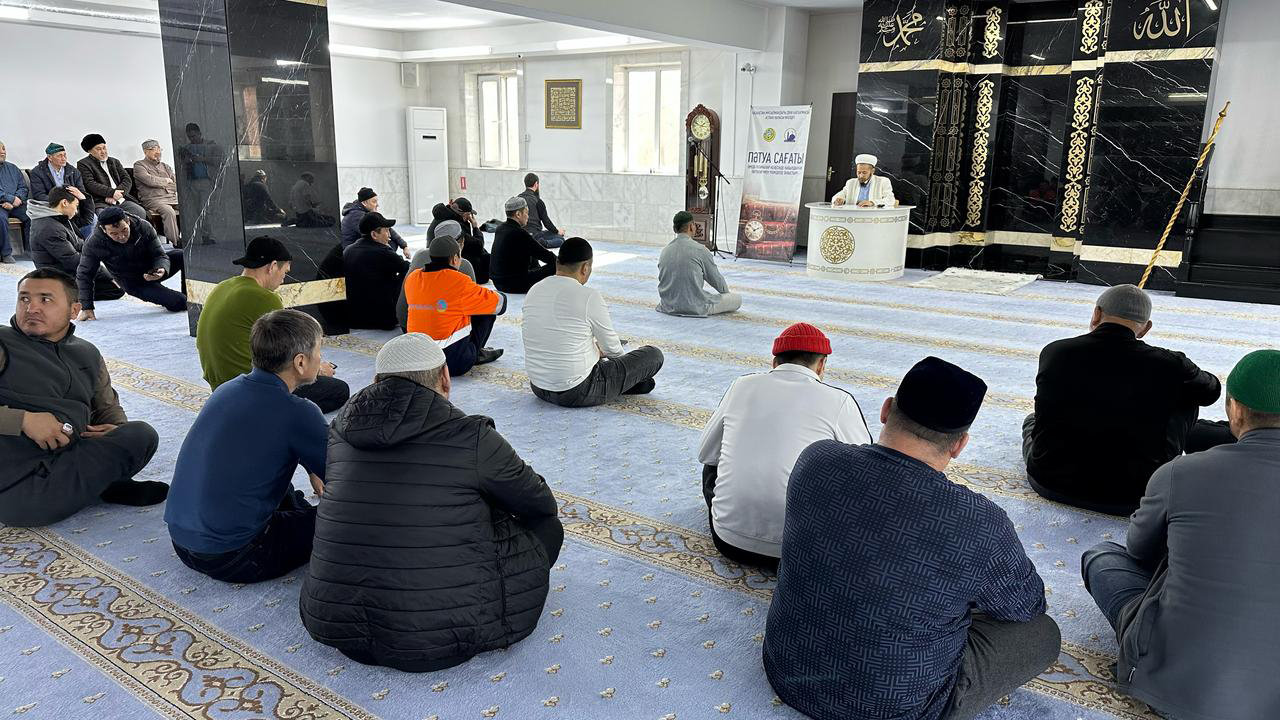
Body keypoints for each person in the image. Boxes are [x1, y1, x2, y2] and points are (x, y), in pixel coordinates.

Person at [764, 356, 1060, 720]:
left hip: (786, 669)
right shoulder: (978, 522)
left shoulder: (817, 458)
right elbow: (1027, 605)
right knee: (1042, 634)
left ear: (886, 409)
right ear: (959, 445)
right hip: (893, 708)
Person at [300, 332, 562, 672]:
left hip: (335, 623)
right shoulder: (472, 436)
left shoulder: (339, 432)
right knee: (547, 527)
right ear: (445, 378)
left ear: (377, 382)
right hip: (439, 637)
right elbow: (540, 504)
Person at [1082, 349, 1280, 720]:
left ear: (1235, 411)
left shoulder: (1181, 473)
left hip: (1178, 692)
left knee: (1102, 557)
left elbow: (1138, 549)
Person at [1023, 284, 1224, 515]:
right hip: (1136, 494)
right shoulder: (1171, 364)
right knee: (1188, 393)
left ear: (1097, 313)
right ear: (1146, 328)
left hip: (1049, 481)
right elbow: (1211, 391)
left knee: (1031, 420)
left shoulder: (1055, 351)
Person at [166, 309, 330, 583]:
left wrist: (313, 466)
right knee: (348, 520)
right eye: (319, 350)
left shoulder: (226, 389)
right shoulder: (299, 411)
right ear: (300, 362)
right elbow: (345, 479)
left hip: (183, 543)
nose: (321, 358)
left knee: (272, 475)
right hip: (237, 555)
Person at [0, 268, 164, 527]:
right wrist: (22, 420)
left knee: (140, 435)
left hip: (64, 461)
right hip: (16, 481)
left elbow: (106, 406)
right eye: (24, 299)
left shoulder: (87, 353)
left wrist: (115, 428)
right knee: (30, 504)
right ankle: (103, 485)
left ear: (74, 310)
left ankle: (103, 484)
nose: (31, 308)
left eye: (45, 299)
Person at [698, 323, 870, 570]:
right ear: (821, 365)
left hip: (728, 541)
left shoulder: (741, 386)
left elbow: (706, 454)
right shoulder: (839, 400)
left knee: (712, 466)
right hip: (800, 551)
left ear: (774, 362)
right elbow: (863, 476)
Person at [195, 236, 349, 412]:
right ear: (273, 266)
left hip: (221, 389)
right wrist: (318, 370)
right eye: (285, 272)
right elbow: (291, 352)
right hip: (252, 389)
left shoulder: (222, 287)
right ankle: (273, 413)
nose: (283, 279)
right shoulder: (264, 297)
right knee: (339, 390)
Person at [523, 238, 664, 407]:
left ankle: (624, 382)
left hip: (538, 386)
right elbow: (613, 350)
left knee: (592, 349)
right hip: (576, 391)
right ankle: (626, 384)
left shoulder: (535, 289)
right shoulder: (588, 296)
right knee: (653, 355)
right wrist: (627, 368)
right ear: (585, 268)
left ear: (558, 262)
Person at [404, 234, 506, 376]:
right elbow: (500, 305)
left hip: (419, 358)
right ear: (455, 259)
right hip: (452, 363)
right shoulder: (459, 281)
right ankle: (475, 353)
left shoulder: (413, 278)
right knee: (485, 309)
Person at [76, 207, 186, 319]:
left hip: (152, 270)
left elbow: (160, 255)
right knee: (180, 302)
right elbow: (85, 274)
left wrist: (161, 268)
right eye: (114, 234)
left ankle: (190, 293)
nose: (121, 236)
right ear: (104, 230)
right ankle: (173, 296)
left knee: (182, 256)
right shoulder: (94, 243)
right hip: (134, 283)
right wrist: (86, 307)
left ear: (128, 221)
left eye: (124, 230)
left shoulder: (143, 226)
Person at [28, 187, 123, 302]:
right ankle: (59, 295)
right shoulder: (49, 228)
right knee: (115, 289)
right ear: (64, 203)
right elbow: (73, 260)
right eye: (76, 205)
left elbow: (84, 226)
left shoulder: (57, 217)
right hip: (57, 278)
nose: (77, 210)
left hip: (66, 271)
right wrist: (108, 275)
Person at [657, 210, 741, 317]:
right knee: (737, 299)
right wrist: (726, 295)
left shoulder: (665, 251)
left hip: (668, 306)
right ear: (691, 227)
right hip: (696, 307)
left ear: (674, 229)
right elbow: (716, 280)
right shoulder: (700, 250)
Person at [343, 211, 409, 330]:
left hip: (354, 318)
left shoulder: (348, 250)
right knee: (408, 273)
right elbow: (408, 267)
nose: (389, 236)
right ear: (374, 234)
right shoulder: (383, 252)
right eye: (386, 231)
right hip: (383, 319)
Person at [491, 196, 556, 294]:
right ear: (518, 214)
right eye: (526, 212)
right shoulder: (519, 233)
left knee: (529, 252)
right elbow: (546, 256)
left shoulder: (500, 228)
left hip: (498, 282)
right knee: (555, 265)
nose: (528, 216)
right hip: (515, 284)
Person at [29, 143, 94, 238]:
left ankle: (87, 245)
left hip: (72, 205)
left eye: (65, 155)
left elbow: (81, 192)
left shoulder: (73, 171)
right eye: (59, 156)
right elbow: (39, 195)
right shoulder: (38, 172)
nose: (64, 158)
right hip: (52, 208)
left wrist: (73, 201)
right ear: (50, 157)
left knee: (93, 219)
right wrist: (59, 204)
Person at [76, 134, 148, 220]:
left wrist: (118, 194)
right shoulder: (83, 164)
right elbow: (90, 184)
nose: (103, 151)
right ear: (89, 151)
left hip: (120, 198)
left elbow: (127, 179)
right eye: (98, 149)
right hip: (101, 201)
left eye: (104, 148)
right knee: (104, 216)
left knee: (139, 211)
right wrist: (111, 193)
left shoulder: (114, 161)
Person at [428, 197, 490, 284]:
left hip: (437, 257)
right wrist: (475, 228)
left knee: (483, 253)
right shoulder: (454, 225)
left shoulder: (443, 216)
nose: (470, 217)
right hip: (448, 262)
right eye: (469, 214)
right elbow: (478, 245)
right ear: (464, 214)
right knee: (484, 257)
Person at [132, 139, 181, 246]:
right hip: (153, 199)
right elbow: (149, 180)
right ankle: (176, 241)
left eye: (159, 149)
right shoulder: (139, 165)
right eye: (154, 149)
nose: (158, 152)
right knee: (169, 211)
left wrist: (163, 183)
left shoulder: (166, 166)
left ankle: (194, 237)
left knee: (188, 208)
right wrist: (166, 181)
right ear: (145, 152)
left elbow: (177, 183)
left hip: (172, 198)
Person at [340, 186, 410, 256]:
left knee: (392, 241)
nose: (377, 205)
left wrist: (404, 245)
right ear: (364, 203)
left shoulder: (364, 212)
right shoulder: (356, 215)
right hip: (353, 254)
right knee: (387, 243)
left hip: (359, 249)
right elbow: (375, 236)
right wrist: (390, 253)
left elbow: (385, 227)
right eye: (374, 202)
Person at [0, 140, 30, 262]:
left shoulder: (13, 168)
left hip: (16, 204)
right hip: (1, 205)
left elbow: (23, 187)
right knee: (1, 219)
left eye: (3, 148)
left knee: (31, 214)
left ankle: (30, 251)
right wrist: (11, 199)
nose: (2, 152)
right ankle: (5, 253)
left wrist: (16, 200)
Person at [518, 172, 565, 248]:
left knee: (546, 233)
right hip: (535, 235)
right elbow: (546, 222)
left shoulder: (517, 199)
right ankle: (544, 243)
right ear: (536, 184)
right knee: (561, 239)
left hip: (520, 235)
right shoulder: (538, 201)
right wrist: (557, 231)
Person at [831, 153, 897, 208]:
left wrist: (872, 202)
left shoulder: (883, 181)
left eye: (864, 173)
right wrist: (838, 199)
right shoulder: (851, 182)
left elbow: (890, 199)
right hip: (852, 216)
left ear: (872, 171)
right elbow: (840, 194)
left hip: (874, 216)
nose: (861, 176)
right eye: (859, 172)